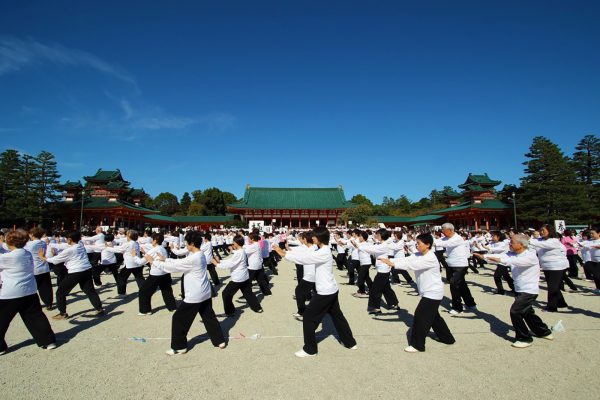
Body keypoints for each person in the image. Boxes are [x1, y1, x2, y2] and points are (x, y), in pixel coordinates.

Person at [273, 227, 357, 358]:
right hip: (331, 289)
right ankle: (350, 342)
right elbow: (305, 254)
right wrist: (287, 252)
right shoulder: (321, 249)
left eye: (314, 236)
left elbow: (306, 259)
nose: (312, 238)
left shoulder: (323, 252)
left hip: (325, 292)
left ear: (320, 238)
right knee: (337, 316)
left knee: (308, 317)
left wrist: (284, 254)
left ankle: (310, 349)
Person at [145, 231, 226, 355]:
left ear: (192, 244)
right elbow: (180, 262)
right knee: (208, 316)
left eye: (187, 243)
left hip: (195, 294)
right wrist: (165, 259)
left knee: (178, 319)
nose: (185, 245)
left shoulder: (194, 257)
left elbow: (175, 267)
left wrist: (154, 262)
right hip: (204, 292)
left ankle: (179, 346)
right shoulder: (200, 254)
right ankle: (219, 340)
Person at [379, 233, 455, 352]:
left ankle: (417, 345)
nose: (417, 245)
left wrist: (393, 264)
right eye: (416, 243)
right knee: (434, 317)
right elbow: (407, 259)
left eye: (419, 243)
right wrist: (390, 260)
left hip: (433, 292)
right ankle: (447, 338)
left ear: (428, 245)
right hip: (427, 291)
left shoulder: (430, 257)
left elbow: (413, 265)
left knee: (420, 316)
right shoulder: (418, 254)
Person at [481, 234, 553, 348]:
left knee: (515, 311)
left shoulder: (530, 256)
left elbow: (514, 262)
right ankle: (543, 331)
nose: (510, 244)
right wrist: (484, 256)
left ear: (521, 244)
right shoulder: (512, 253)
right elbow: (503, 256)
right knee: (527, 312)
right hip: (519, 289)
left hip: (529, 290)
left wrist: (497, 259)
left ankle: (524, 338)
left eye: (512, 242)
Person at [0, 229, 57, 354]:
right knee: (36, 317)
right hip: (29, 290)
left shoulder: (8, 257)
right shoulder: (26, 253)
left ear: (9, 241)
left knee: (2, 319)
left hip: (11, 293)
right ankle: (48, 341)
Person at [41, 231, 104, 320]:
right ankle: (99, 308)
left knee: (60, 292)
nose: (66, 240)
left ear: (70, 239)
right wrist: (51, 244)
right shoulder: (80, 245)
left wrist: (43, 257)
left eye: (67, 239)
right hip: (86, 270)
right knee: (90, 290)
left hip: (76, 272)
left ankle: (63, 313)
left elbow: (55, 260)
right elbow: (64, 246)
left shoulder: (70, 250)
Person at [212, 235, 263, 316]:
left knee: (226, 294)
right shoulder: (241, 251)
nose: (233, 244)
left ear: (236, 243)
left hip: (238, 278)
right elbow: (232, 260)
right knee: (248, 293)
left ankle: (230, 312)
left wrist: (216, 264)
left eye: (233, 242)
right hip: (244, 277)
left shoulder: (239, 252)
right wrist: (220, 261)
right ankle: (257, 308)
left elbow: (231, 264)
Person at [352, 228, 399, 315]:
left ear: (382, 236)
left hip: (383, 270)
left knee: (374, 289)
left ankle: (375, 307)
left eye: (377, 235)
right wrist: (359, 247)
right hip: (382, 269)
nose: (376, 236)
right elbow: (372, 248)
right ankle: (393, 303)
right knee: (386, 288)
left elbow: (372, 249)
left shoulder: (384, 245)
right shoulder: (380, 244)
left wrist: (360, 247)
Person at [434, 223, 477, 315]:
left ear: (450, 230)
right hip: (450, 264)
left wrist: (433, 242)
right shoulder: (445, 238)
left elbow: (445, 244)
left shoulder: (458, 238)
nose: (442, 232)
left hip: (460, 265)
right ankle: (470, 303)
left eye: (443, 230)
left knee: (453, 283)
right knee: (461, 284)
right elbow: (438, 241)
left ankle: (457, 307)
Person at [529, 224, 573, 312]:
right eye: (540, 230)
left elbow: (539, 244)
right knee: (554, 286)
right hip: (546, 266)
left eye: (543, 230)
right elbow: (533, 246)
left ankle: (552, 307)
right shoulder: (539, 240)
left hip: (556, 266)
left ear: (550, 231)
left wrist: (527, 240)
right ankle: (561, 303)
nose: (541, 232)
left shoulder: (553, 241)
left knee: (552, 287)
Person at [136, 233, 177, 315]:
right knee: (166, 290)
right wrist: (145, 254)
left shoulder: (153, 250)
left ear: (155, 241)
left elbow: (140, 262)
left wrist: (134, 256)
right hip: (165, 272)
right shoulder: (163, 249)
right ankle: (172, 307)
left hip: (156, 274)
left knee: (144, 291)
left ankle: (145, 310)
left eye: (152, 240)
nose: (152, 241)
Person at [24, 227, 53, 309]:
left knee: (32, 288)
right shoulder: (43, 243)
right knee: (46, 287)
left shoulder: (29, 244)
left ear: (32, 234)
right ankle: (48, 303)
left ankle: (32, 305)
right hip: (44, 267)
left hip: (35, 268)